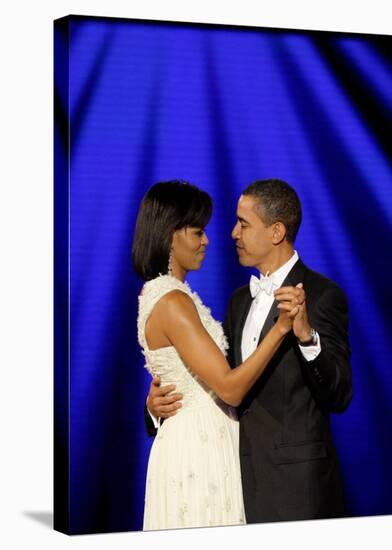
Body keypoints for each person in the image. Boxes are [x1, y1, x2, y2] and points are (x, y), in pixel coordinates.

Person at [147, 178, 352, 523]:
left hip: (296, 490)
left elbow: (340, 394)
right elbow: (221, 379)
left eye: (243, 223)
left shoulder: (321, 295)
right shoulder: (240, 300)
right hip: (233, 479)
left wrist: (306, 337)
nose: (232, 233)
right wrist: (154, 407)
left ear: (275, 232)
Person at [133, 180, 301, 531]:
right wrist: (281, 328)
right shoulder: (172, 301)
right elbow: (229, 388)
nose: (207, 240)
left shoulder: (171, 295)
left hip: (204, 440)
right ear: (170, 235)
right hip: (197, 449)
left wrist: (152, 407)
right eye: (198, 232)